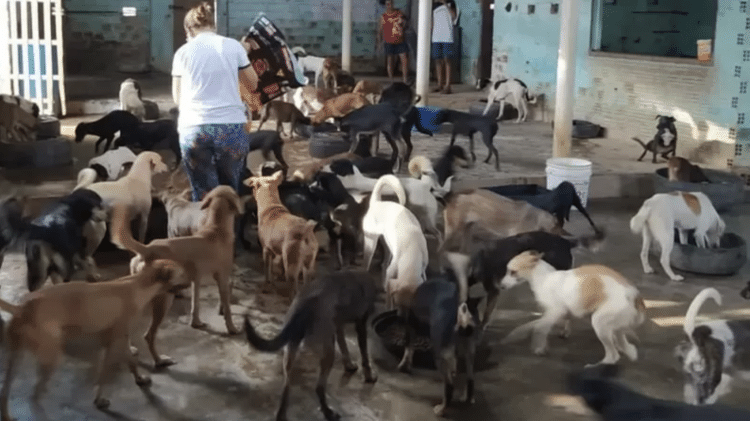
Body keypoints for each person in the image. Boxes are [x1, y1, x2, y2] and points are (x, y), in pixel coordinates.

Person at [171, 1, 262, 202]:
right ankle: (232, 232)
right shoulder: (233, 46)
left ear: (188, 29)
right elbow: (253, 82)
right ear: (213, 25)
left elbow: (177, 98)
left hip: (194, 129)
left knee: (203, 193)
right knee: (231, 191)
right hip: (231, 127)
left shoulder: (182, 53)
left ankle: (206, 231)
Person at [377, 0, 409, 84]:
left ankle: (405, 79)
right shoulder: (383, 16)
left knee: (404, 59)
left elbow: (405, 21)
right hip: (388, 40)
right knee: (390, 60)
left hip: (400, 40)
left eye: (391, 3)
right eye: (387, 4)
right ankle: (391, 80)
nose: (389, 5)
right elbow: (380, 30)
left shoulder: (399, 13)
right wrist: (379, 42)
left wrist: (403, 25)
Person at [431, 0, 458, 94]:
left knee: (447, 60)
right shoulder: (434, 5)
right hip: (436, 36)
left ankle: (448, 86)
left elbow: (454, 16)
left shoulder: (451, 3)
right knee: (437, 60)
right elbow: (432, 20)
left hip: (447, 36)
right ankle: (439, 84)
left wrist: (445, 3)